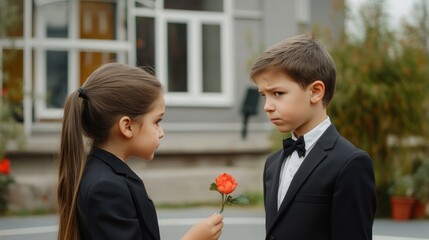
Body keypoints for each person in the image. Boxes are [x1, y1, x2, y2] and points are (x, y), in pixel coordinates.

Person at [57, 62, 223, 240]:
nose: (161, 133)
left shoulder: (105, 176)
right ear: (127, 126)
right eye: (157, 121)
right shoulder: (105, 188)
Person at [250, 33, 376, 240]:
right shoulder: (272, 164)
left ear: (316, 91)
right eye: (264, 95)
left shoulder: (350, 163)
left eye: (278, 93)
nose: (267, 107)